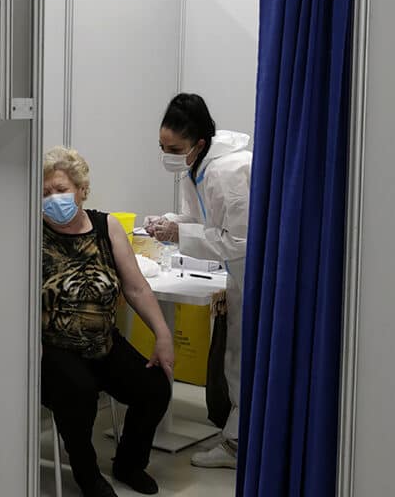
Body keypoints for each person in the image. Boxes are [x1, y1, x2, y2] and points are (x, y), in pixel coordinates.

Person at [41, 146, 175, 497]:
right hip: (53, 348)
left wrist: (162, 335)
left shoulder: (107, 226)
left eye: (61, 189)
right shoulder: (31, 232)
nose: (53, 199)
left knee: (155, 387)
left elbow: (136, 287)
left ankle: (129, 464)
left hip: (104, 341)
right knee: (79, 394)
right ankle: (87, 475)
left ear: (81, 189)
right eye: (45, 193)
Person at [145, 93, 251, 470]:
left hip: (255, 273)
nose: (167, 156)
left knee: (244, 358)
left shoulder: (229, 171)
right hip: (238, 273)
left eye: (174, 149)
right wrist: (169, 223)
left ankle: (240, 445)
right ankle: (238, 440)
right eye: (162, 147)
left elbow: (242, 240)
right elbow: (200, 219)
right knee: (235, 357)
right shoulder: (198, 167)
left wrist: (180, 234)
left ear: (199, 142)